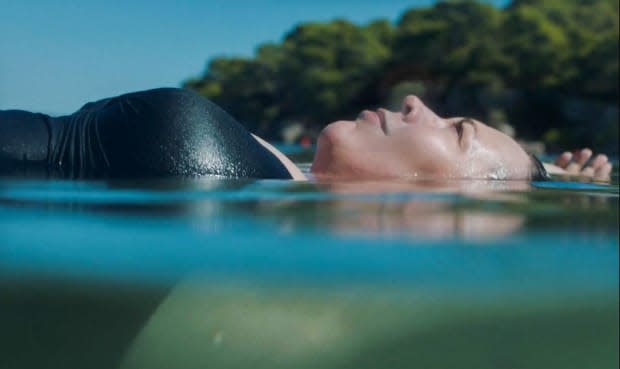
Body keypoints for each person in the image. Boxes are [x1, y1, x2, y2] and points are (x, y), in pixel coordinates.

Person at [0, 88, 613, 182]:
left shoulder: (232, 174)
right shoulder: (260, 173)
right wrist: (555, 178)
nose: (416, 102)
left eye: (457, 133)